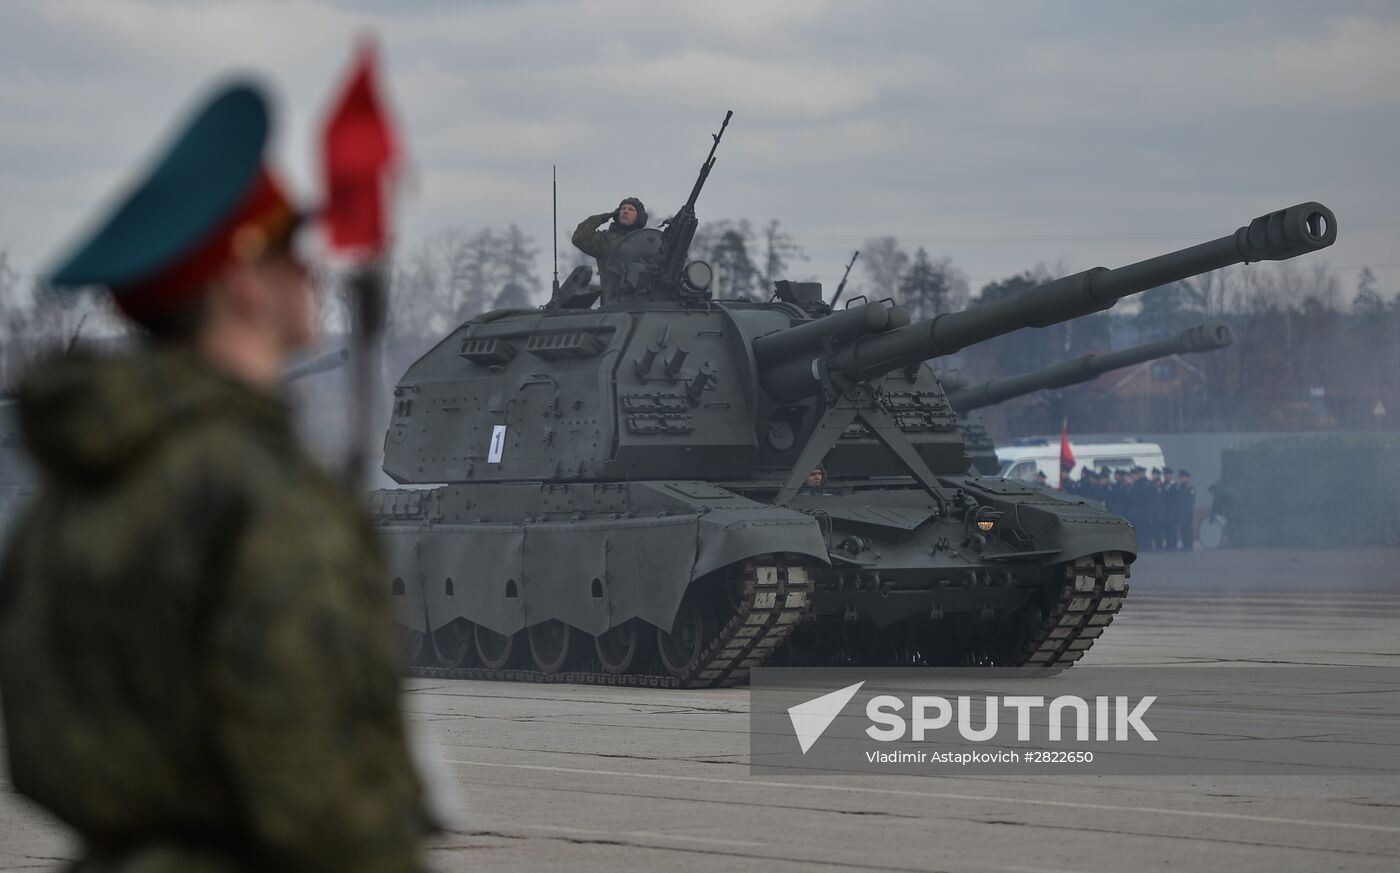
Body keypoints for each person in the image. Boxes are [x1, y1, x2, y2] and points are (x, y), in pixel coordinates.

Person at [0, 83, 427, 873]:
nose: (311, 269)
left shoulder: (70, 493)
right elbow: (333, 806)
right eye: (290, 249)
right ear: (242, 281)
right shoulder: (259, 496)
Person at [572, 196, 648, 303]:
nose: (625, 211)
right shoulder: (606, 240)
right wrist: (601, 218)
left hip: (645, 302)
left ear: (639, 217)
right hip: (613, 302)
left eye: (631, 209)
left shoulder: (646, 241)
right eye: (623, 209)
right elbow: (579, 238)